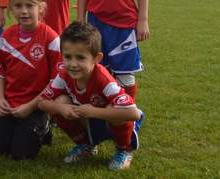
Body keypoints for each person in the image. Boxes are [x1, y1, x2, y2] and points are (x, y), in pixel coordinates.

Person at [38, 22, 143, 171]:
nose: (73, 64)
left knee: (115, 109)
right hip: (89, 118)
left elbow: (133, 113)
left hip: (110, 118)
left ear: (97, 59)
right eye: (68, 57)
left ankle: (123, 149)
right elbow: (42, 102)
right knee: (60, 101)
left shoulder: (104, 80)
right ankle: (86, 145)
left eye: (80, 58)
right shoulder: (63, 75)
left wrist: (93, 112)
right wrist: (61, 108)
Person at [0, 0, 61, 160]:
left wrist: (30, 106)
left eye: (30, 5)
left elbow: (56, 81)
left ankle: (44, 127)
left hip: (36, 105)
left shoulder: (51, 38)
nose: (24, 11)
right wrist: (1, 100)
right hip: (11, 105)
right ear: (11, 8)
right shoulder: (6, 36)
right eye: (18, 6)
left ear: (41, 8)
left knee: (21, 155)